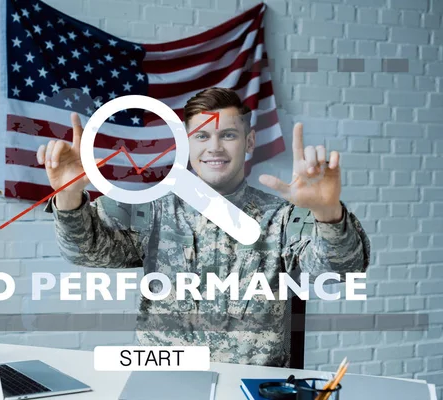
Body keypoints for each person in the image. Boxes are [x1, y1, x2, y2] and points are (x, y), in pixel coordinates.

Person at [38, 87, 371, 367]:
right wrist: (68, 195)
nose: (214, 147)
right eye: (202, 136)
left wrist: (328, 213)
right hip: (163, 384)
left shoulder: (281, 217)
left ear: (249, 142)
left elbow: (340, 270)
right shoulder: (151, 207)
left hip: (249, 389)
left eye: (228, 135)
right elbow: (86, 251)